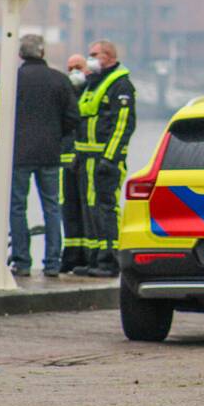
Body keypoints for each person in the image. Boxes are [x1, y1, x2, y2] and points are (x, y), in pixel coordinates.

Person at [0, 35, 80, 278]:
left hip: (19, 154)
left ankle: (22, 261)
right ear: (43, 52)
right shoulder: (60, 80)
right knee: (52, 207)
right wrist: (57, 136)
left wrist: (4, 140)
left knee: (17, 207)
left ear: (20, 55)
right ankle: (52, 263)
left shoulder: (12, 80)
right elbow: (73, 117)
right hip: (50, 154)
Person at [73, 40, 135, 278]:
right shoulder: (92, 83)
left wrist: (109, 159)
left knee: (105, 208)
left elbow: (122, 125)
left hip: (105, 159)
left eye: (94, 55)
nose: (90, 59)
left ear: (108, 56)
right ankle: (94, 259)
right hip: (87, 158)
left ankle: (110, 260)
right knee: (90, 208)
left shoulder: (120, 85)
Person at [59, 53, 89, 273]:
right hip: (65, 162)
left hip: (85, 161)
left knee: (88, 209)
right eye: (70, 68)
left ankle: (88, 257)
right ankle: (71, 256)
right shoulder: (64, 92)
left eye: (78, 67)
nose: (74, 72)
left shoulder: (91, 93)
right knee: (68, 210)